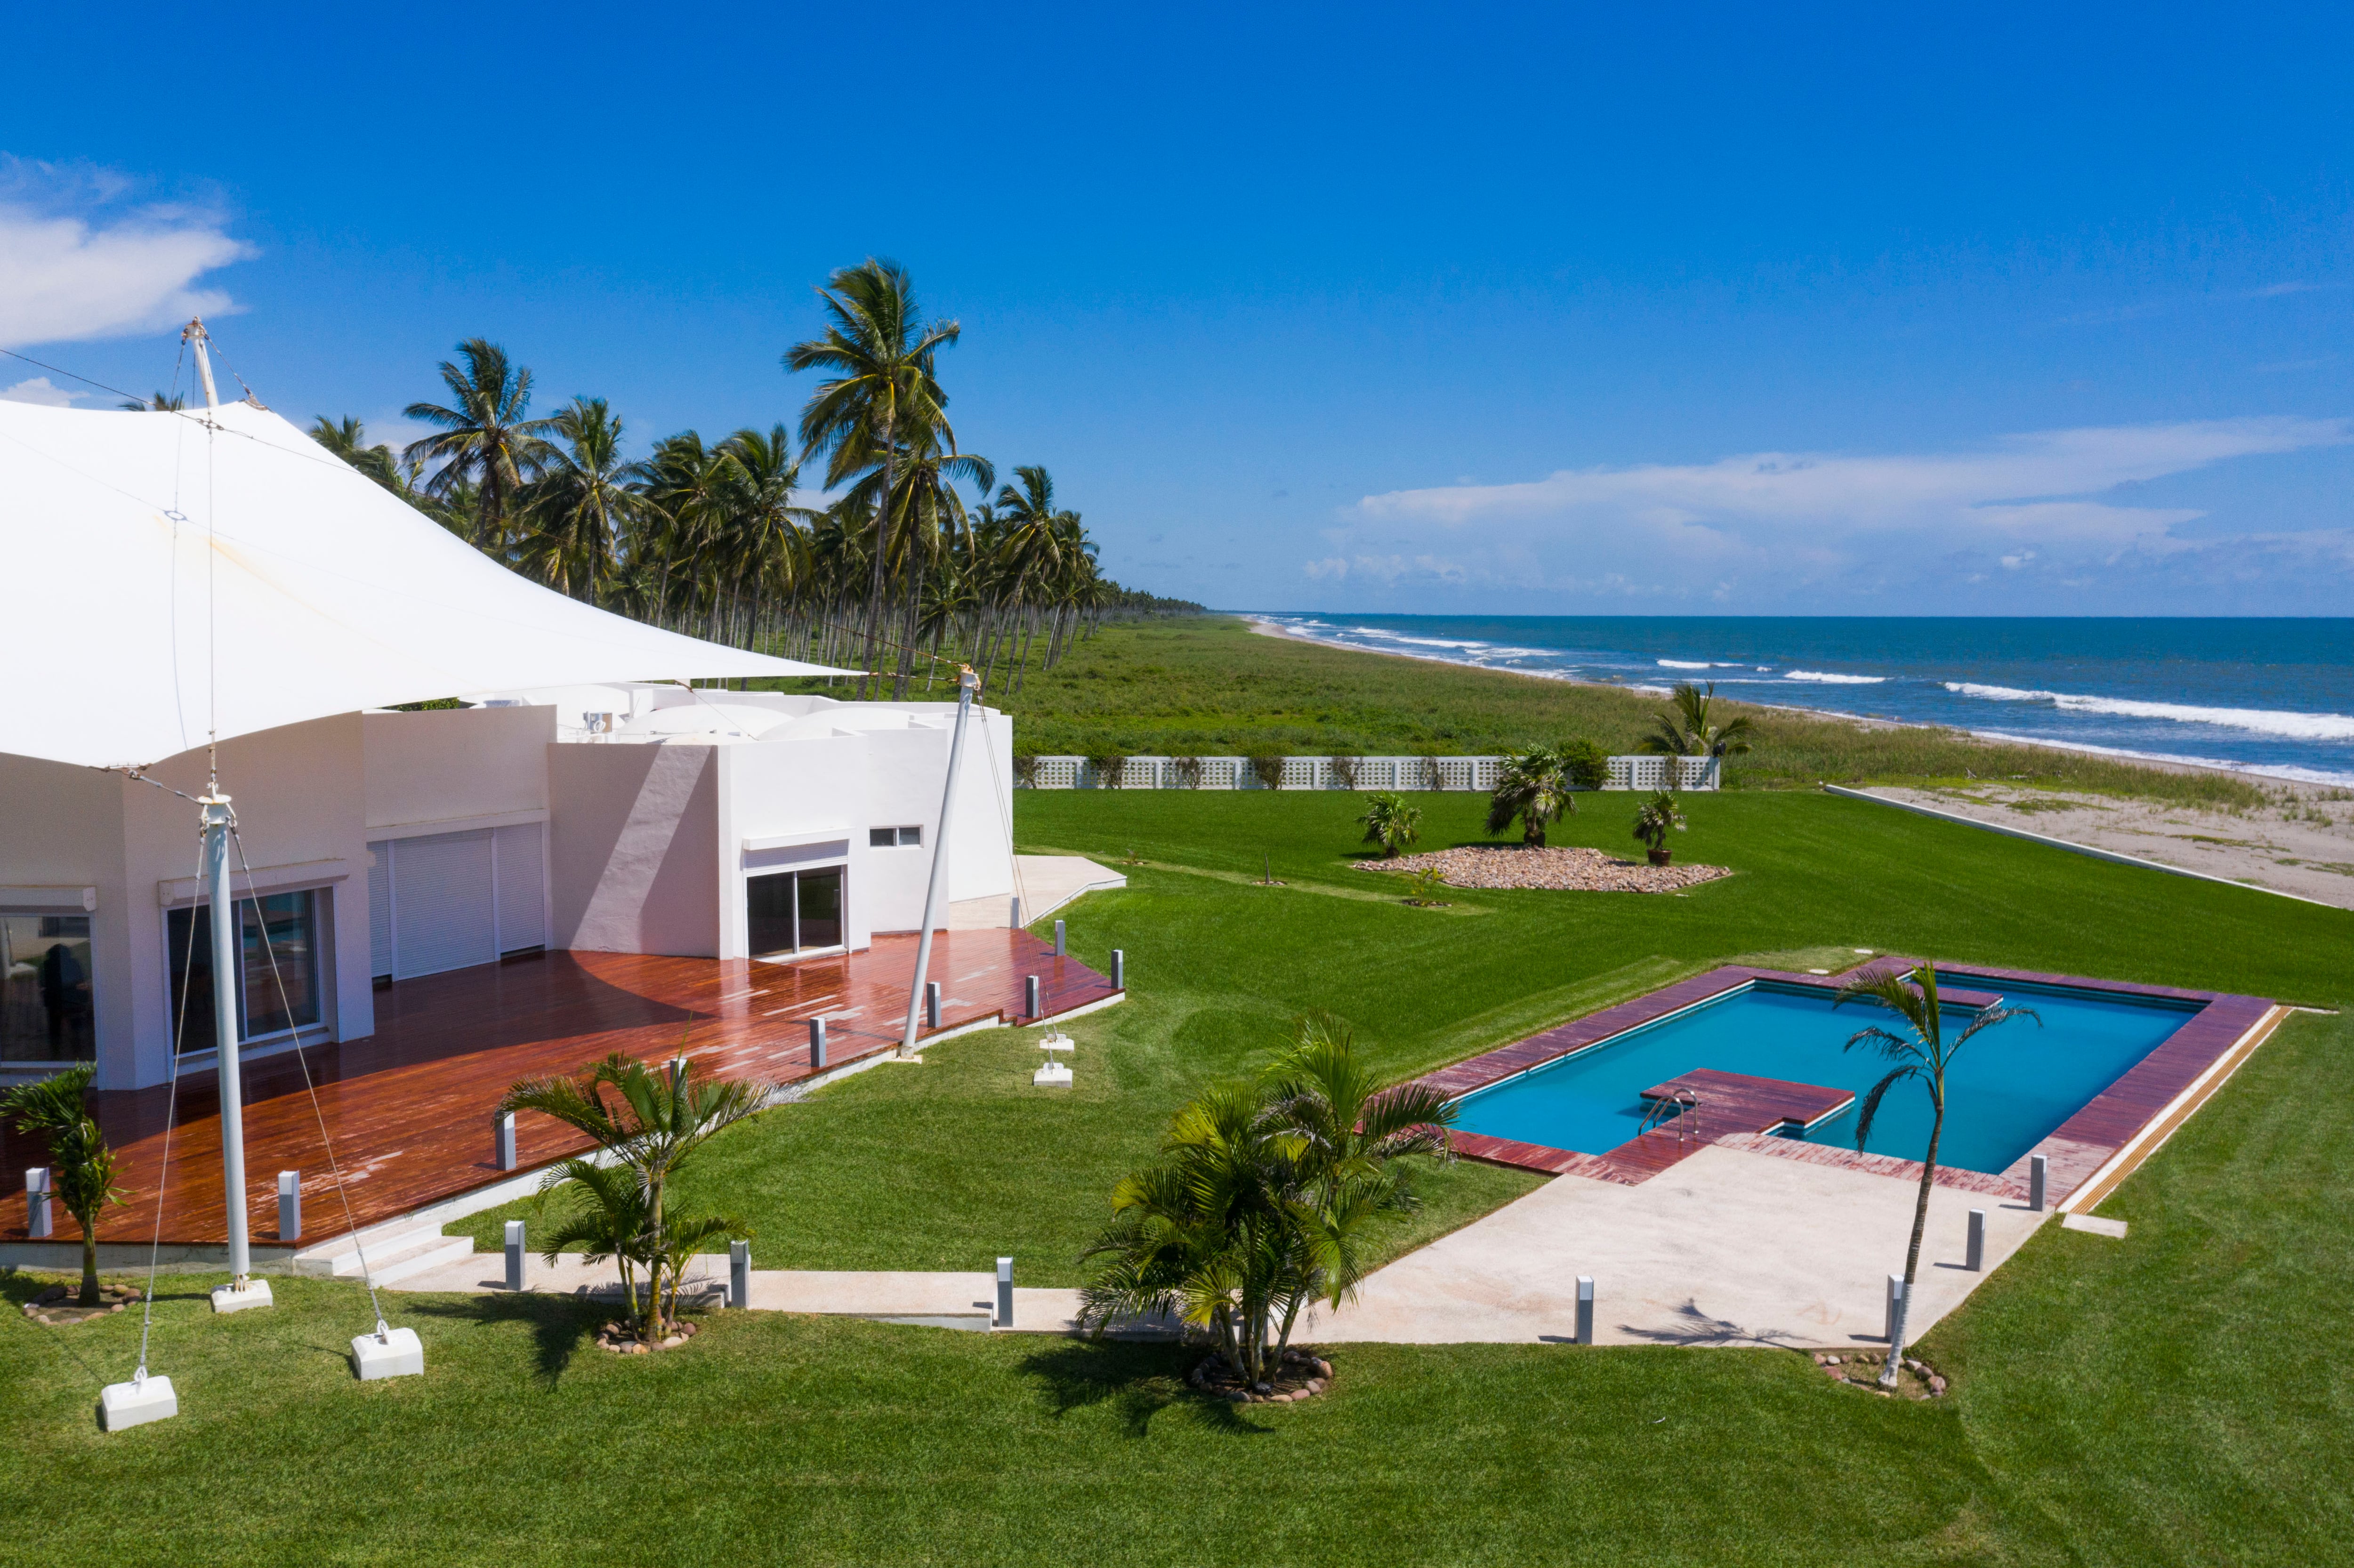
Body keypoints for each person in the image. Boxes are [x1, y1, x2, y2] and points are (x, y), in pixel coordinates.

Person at [39, 939, 87, 1051]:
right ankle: (77, 1046)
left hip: (55, 1000)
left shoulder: (46, 965)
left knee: (55, 1024)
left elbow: (42, 982)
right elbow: (81, 979)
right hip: (72, 999)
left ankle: (55, 1048)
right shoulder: (74, 963)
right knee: (75, 1022)